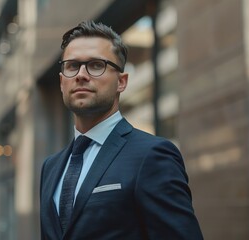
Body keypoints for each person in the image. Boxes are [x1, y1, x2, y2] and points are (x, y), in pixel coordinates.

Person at [40, 20, 203, 240]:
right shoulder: (50, 167)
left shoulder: (152, 155)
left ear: (121, 82)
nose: (81, 74)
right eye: (72, 66)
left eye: (96, 65)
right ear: (62, 82)